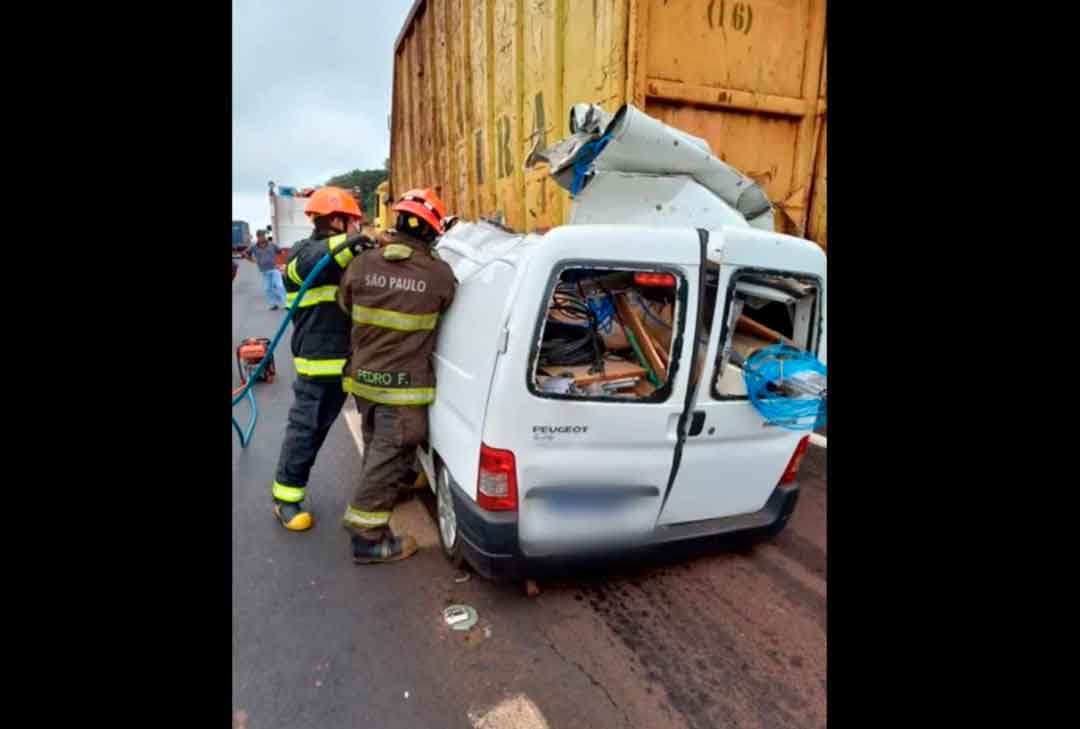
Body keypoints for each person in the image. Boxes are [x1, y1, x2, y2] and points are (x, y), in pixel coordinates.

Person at [338, 188, 457, 564]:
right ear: (432, 232)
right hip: (402, 390)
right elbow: (449, 305)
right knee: (392, 450)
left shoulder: (361, 265)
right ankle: (367, 537)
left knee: (377, 446)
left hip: (364, 381)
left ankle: (384, 493)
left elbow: (346, 304)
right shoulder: (438, 275)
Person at [270, 187, 372, 531]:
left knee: (379, 424)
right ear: (338, 220)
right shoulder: (304, 254)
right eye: (352, 223)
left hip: (356, 361)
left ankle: (391, 481)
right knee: (306, 431)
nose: (355, 229)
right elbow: (307, 266)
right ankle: (286, 498)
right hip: (318, 367)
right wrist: (351, 244)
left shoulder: (350, 258)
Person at [245, 229, 286, 310]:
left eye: (263, 236)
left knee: (279, 286)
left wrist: (280, 264)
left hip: (275, 269)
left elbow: (281, 252)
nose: (263, 237)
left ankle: (286, 303)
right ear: (257, 237)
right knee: (268, 288)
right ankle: (273, 304)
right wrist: (252, 260)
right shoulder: (254, 246)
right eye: (260, 236)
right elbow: (246, 254)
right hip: (264, 271)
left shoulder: (272, 245)